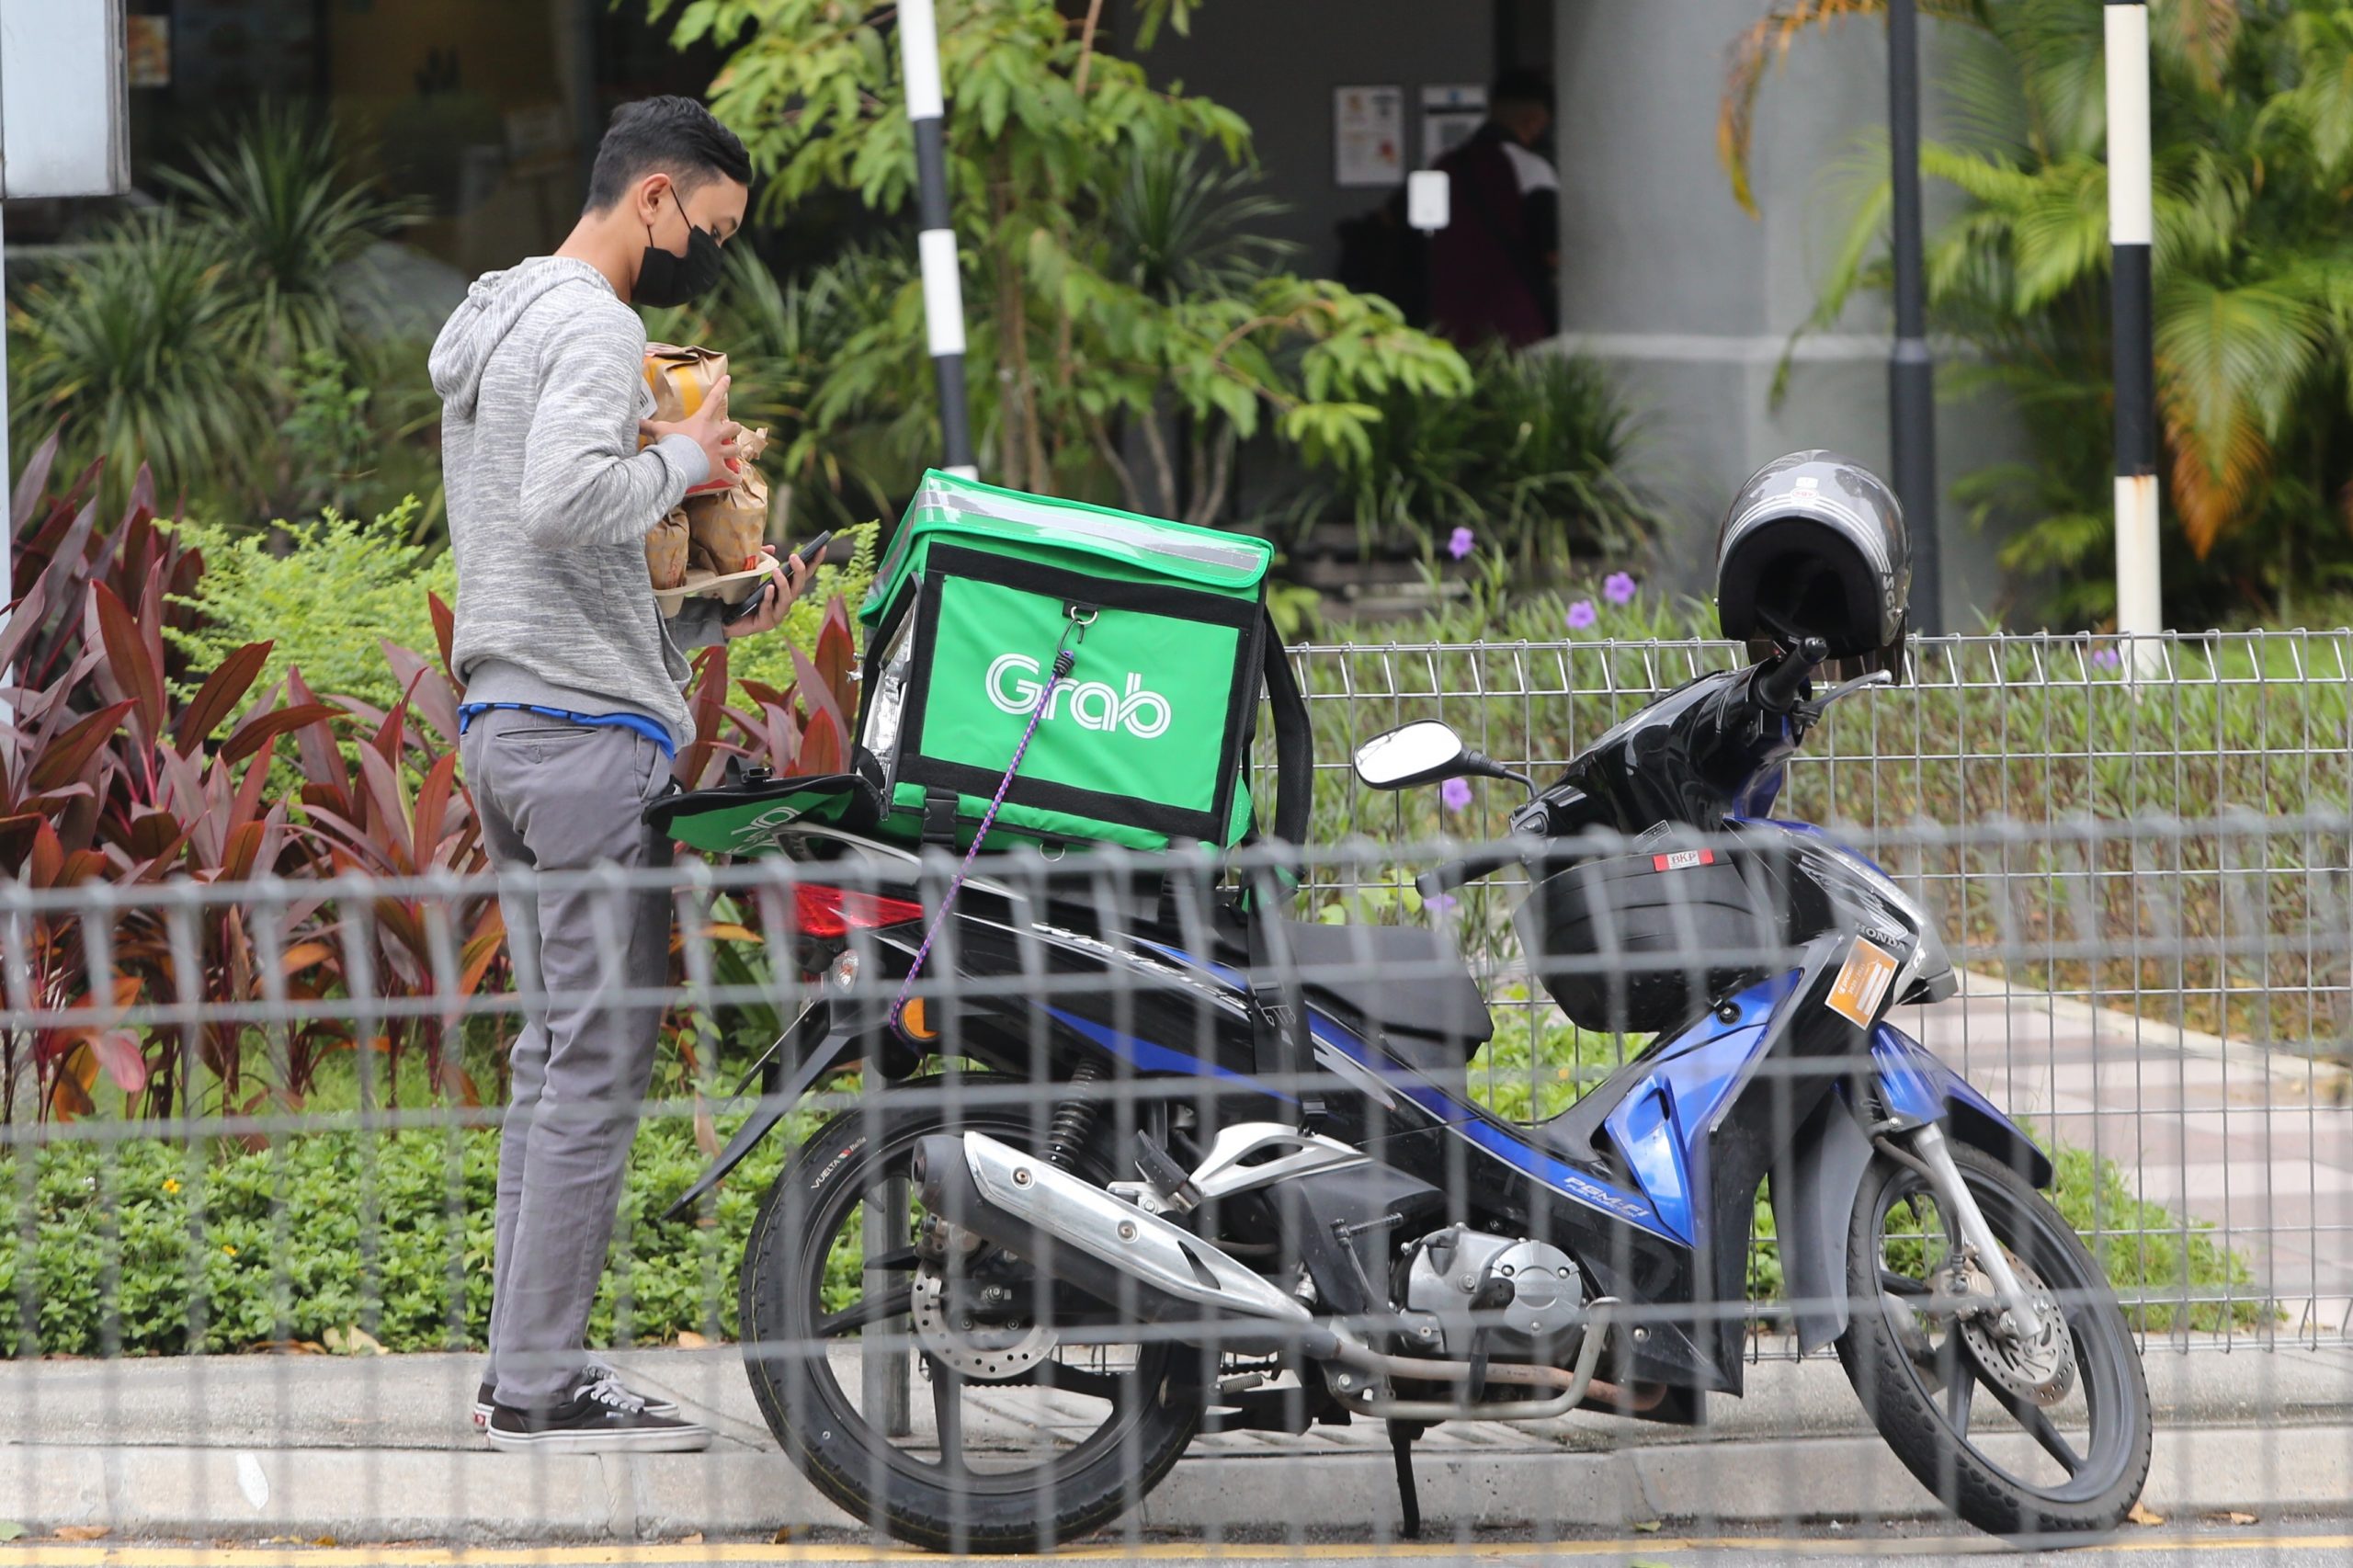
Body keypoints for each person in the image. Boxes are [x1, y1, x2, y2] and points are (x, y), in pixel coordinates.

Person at [430, 96, 809, 1455]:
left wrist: (717, 608)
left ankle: (517, 1370)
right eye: (701, 232)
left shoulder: (502, 319)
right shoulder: (593, 322)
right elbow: (563, 500)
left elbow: (556, 554)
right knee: (595, 1061)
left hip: (512, 721)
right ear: (654, 194)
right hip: (586, 744)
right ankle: (538, 1384)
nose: (697, 259)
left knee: (554, 1055)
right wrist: (689, 457)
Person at [1426, 70, 1561, 349]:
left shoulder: (1441, 166)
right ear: (1535, 121)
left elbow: (1422, 239)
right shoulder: (1533, 170)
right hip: (1514, 324)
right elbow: (1552, 252)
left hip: (1448, 325)